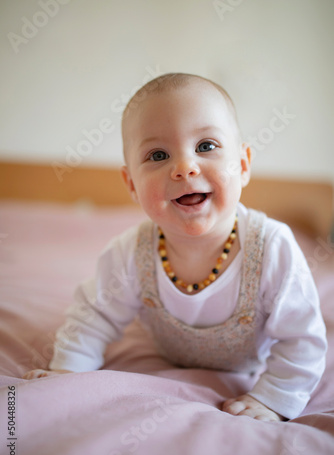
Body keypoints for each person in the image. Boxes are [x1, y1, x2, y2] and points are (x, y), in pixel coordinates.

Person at [23, 73, 327, 422]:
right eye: (158, 154)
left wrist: (275, 398)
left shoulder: (271, 249)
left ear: (242, 165)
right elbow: (94, 316)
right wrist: (69, 372)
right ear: (132, 184)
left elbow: (302, 339)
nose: (184, 167)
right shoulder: (130, 254)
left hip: (251, 363)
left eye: (206, 146)